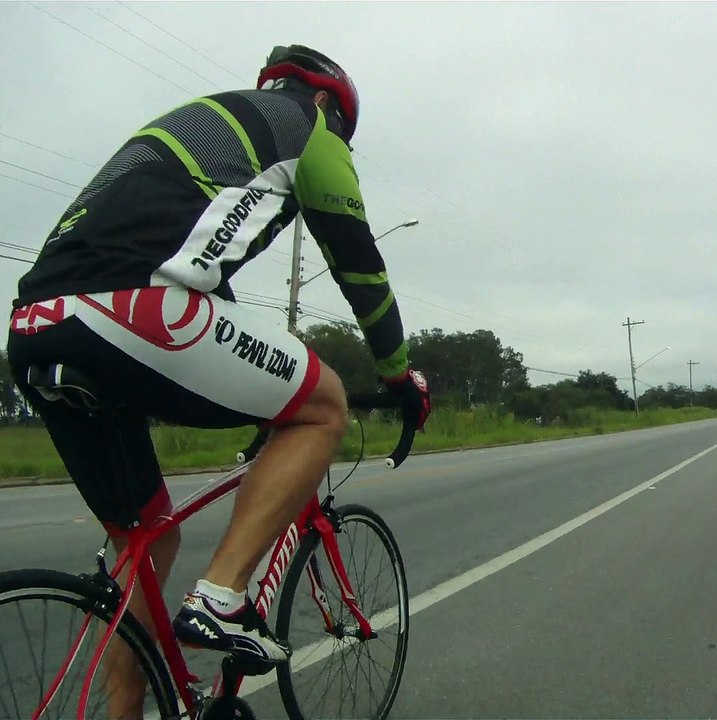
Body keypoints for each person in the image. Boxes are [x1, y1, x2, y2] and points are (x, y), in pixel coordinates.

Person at [7, 45, 431, 712]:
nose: (341, 146)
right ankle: (222, 597)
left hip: (36, 325)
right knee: (323, 406)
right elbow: (357, 261)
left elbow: (204, 284)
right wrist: (397, 373)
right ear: (326, 102)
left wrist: (259, 390)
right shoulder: (311, 128)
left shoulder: (200, 126)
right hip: (135, 307)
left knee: (145, 544)